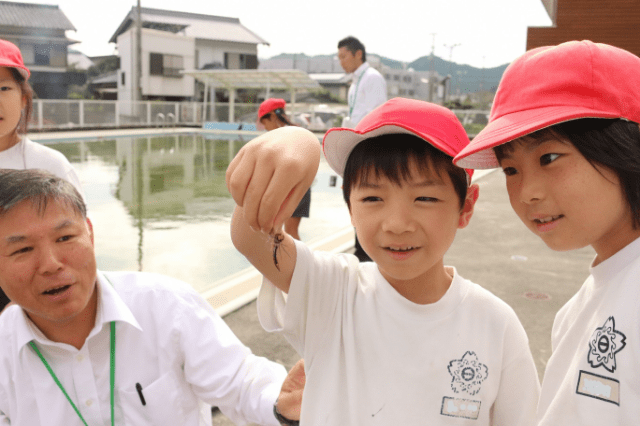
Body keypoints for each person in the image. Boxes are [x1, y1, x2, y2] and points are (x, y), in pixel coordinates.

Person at [227, 98, 540, 425]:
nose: (397, 223)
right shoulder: (333, 293)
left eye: (425, 198)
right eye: (373, 198)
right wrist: (298, 141)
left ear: (466, 207)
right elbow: (249, 236)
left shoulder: (495, 325)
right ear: (350, 207)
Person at [0, 169, 301, 425]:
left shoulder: (165, 304)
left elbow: (240, 380)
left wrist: (280, 401)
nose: (51, 263)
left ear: (89, 234)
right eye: (22, 249)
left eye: (65, 238)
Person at [453, 40, 640, 425]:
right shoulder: (575, 312)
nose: (527, 192)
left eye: (549, 157)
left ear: (624, 146)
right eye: (510, 170)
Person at [0, 39, 84, 312]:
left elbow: (77, 243)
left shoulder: (50, 165)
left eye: (3, 88)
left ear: (23, 98)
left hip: (35, 301)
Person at [338, 36, 388, 262]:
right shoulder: (355, 83)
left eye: (344, 56)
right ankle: (361, 251)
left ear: (358, 54)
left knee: (370, 199)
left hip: (369, 149)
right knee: (357, 200)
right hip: (356, 147)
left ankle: (369, 254)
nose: (341, 61)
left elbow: (377, 116)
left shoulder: (372, 78)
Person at [257, 98, 311, 240]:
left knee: (289, 233)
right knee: (290, 232)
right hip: (301, 187)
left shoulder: (281, 136)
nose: (265, 127)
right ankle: (296, 261)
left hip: (291, 188)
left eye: (265, 122)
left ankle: (300, 262)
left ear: (273, 117)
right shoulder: (297, 131)